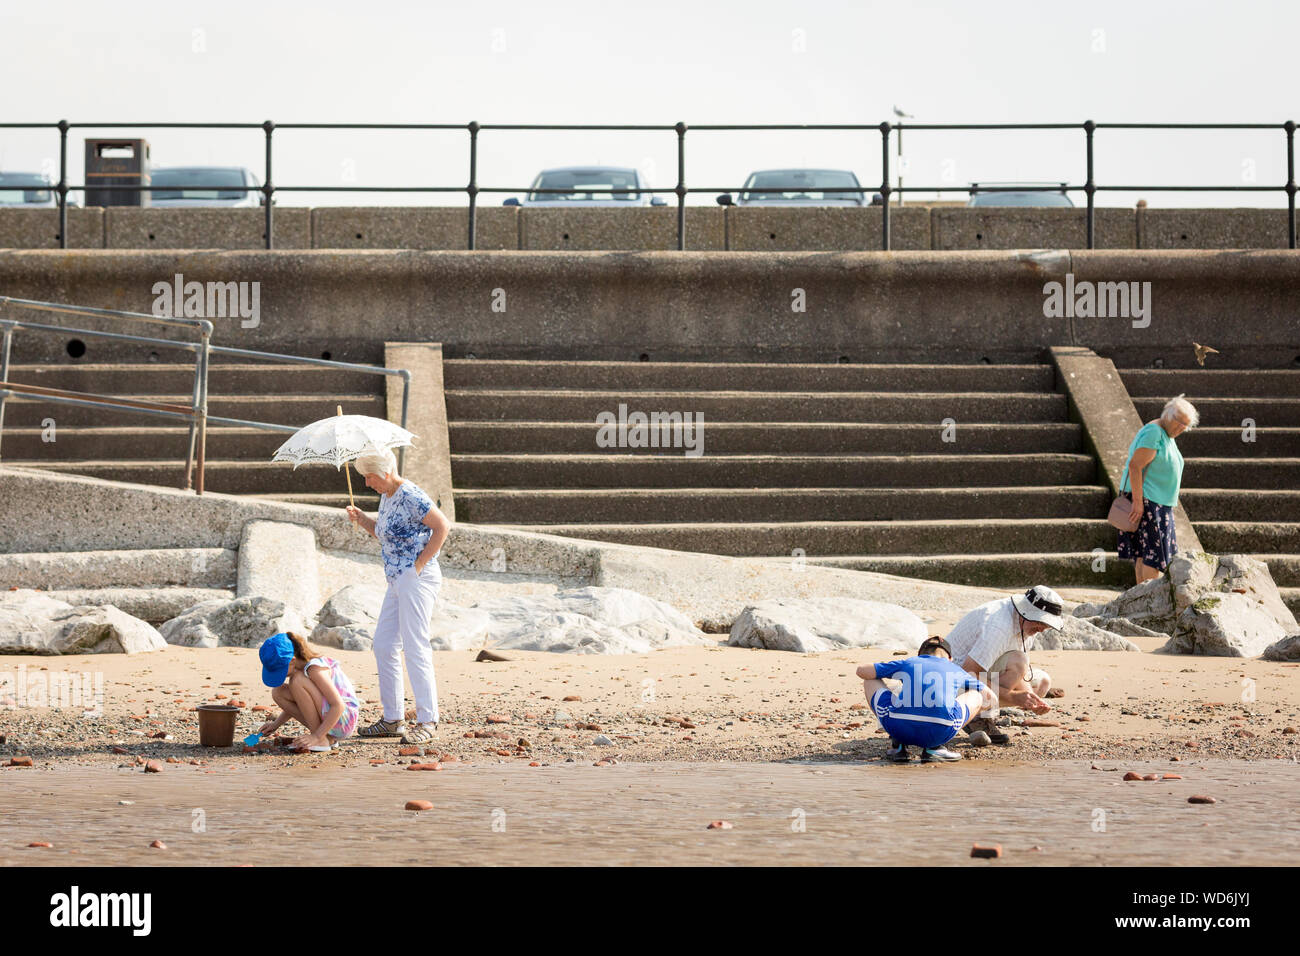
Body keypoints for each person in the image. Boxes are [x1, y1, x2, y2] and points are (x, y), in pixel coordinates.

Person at [346, 448, 451, 746]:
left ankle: (428, 721)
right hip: (395, 579)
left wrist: (419, 565)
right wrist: (364, 519)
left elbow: (442, 526)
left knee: (415, 645)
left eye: (369, 477)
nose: (366, 483)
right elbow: (387, 534)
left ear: (385, 472)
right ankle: (393, 719)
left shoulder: (410, 494)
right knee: (383, 644)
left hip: (416, 578)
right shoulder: (388, 495)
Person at [944, 585, 1063, 745]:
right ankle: (977, 717)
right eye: (1040, 621)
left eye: (1046, 624)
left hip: (976, 674)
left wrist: (1032, 702)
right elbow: (967, 673)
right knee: (1019, 662)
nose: (1042, 629)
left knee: (1042, 683)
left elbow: (1016, 671)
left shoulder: (1027, 625)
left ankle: (983, 710)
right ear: (1025, 611)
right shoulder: (998, 627)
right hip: (948, 682)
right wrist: (1012, 696)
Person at [855, 636, 995, 763]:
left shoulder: (910, 662)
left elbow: (861, 671)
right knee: (977, 695)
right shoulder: (955, 669)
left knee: (869, 680)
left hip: (899, 728)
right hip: (939, 732)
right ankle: (935, 748)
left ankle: (898, 745)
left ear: (921, 654)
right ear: (950, 658)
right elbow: (991, 698)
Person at [1118, 394, 1198, 584]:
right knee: (1151, 558)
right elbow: (1135, 466)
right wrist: (1138, 503)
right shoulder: (1154, 433)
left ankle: (1140, 601)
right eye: (1180, 424)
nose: (1182, 429)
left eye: (1186, 426)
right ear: (1169, 416)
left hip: (1157, 502)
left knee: (1144, 555)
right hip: (1147, 502)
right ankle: (1146, 603)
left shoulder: (1165, 433)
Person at [255, 631, 360, 752]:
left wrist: (315, 736)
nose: (282, 676)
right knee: (278, 692)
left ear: (292, 661)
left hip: (344, 720)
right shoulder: (304, 672)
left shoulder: (315, 669)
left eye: (280, 671)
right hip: (333, 718)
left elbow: (338, 705)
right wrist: (275, 725)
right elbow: (302, 701)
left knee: (296, 681)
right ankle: (327, 738)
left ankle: (320, 739)